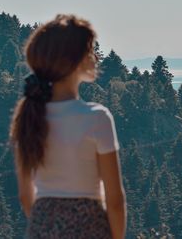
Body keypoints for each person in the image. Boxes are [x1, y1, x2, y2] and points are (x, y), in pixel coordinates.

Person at [9, 14, 126, 239]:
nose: (95, 56)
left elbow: (26, 196)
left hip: (41, 226)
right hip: (88, 226)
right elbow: (115, 200)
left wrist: (49, 225)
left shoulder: (26, 116)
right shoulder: (97, 118)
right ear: (75, 59)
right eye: (90, 50)